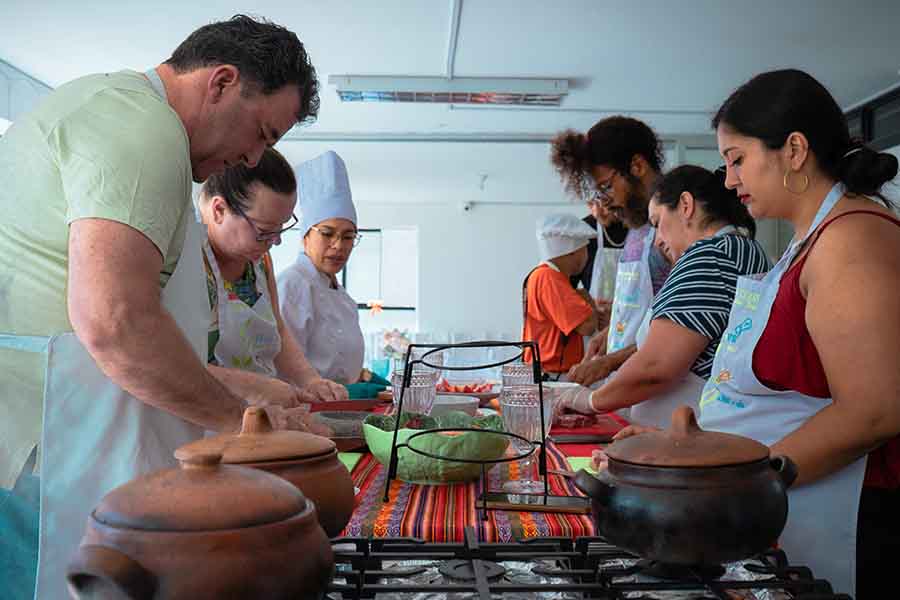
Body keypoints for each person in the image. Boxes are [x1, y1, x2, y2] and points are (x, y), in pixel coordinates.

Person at [0, 15, 319, 599]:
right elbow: (115, 323)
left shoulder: (131, 120)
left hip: (59, 441)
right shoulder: (140, 128)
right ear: (222, 82)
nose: (252, 159)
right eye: (262, 134)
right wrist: (236, 423)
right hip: (39, 458)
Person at [612, 69, 899, 598]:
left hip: (858, 514)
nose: (727, 180)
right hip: (796, 500)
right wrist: (690, 449)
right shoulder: (807, 241)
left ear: (793, 150)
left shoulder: (851, 238)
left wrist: (741, 480)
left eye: (737, 159)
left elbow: (875, 410)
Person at [555, 165, 770, 429]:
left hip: (692, 432)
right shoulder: (740, 248)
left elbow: (657, 367)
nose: (657, 241)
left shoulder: (710, 256)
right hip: (689, 432)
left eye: (657, 223)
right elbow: (688, 336)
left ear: (686, 205)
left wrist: (587, 399)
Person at [198, 147, 348, 408]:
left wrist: (310, 380)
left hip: (259, 419)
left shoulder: (259, 261)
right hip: (207, 423)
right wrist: (253, 386)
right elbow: (175, 363)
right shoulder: (187, 260)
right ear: (219, 210)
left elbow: (277, 330)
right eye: (264, 231)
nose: (275, 242)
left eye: (281, 229)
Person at [550, 117, 673, 394]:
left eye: (606, 186)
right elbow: (643, 313)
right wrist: (609, 336)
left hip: (660, 397)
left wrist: (609, 362)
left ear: (637, 166)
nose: (604, 201)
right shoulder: (636, 228)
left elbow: (677, 330)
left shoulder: (673, 228)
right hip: (627, 391)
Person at [277, 151, 388, 397]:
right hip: (307, 410)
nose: (339, 246)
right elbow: (284, 371)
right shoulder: (293, 285)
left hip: (340, 410)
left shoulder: (343, 298)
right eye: (327, 233)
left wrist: (363, 378)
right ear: (306, 235)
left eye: (348, 236)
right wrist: (349, 392)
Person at [522, 213, 600, 379]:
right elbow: (588, 326)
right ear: (572, 252)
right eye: (585, 249)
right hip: (551, 376)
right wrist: (587, 299)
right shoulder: (549, 278)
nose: (586, 256)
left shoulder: (544, 276)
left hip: (549, 374)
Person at [569, 201, 627, 331]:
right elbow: (567, 286)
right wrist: (590, 309)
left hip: (629, 322)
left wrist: (616, 316)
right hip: (595, 324)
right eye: (592, 203)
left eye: (603, 201)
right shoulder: (584, 229)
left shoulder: (638, 228)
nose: (597, 209)